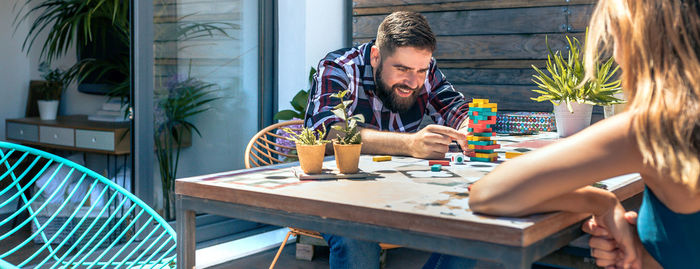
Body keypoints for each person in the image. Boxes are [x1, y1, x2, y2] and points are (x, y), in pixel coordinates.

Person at [467, 0, 700, 268]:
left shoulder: (655, 128)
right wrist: (647, 253)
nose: (615, 56)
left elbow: (488, 193)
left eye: (616, 36)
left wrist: (599, 200)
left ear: (640, 37)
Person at [303, 11, 474, 269]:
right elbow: (325, 132)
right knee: (355, 235)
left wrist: (468, 127)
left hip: (398, 188)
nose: (413, 81)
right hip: (336, 193)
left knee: (477, 224)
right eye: (402, 69)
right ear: (376, 56)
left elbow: (455, 108)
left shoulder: (423, 71)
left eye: (421, 70)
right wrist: (410, 145)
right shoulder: (338, 67)